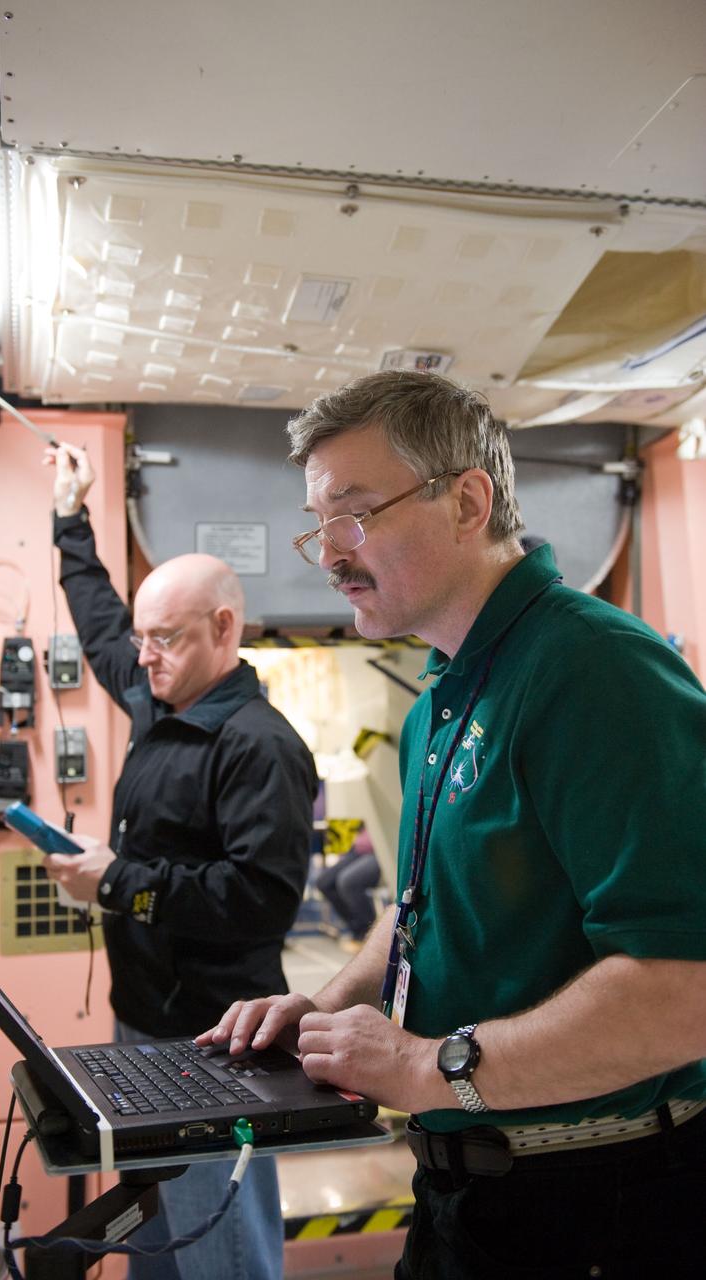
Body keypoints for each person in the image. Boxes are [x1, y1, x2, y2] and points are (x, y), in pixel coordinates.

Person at [197, 370, 706, 1279]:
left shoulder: (595, 673)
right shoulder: (439, 697)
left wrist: (430, 1067)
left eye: (353, 516)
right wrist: (326, 1008)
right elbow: (427, 908)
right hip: (468, 1200)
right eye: (320, 528)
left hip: (608, 1202)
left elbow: (685, 989)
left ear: (467, 500)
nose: (331, 555)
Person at [42, 442, 318, 1280]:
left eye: (163, 639)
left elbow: (257, 902)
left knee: (219, 1255)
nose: (144, 656)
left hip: (217, 1044)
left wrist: (118, 883)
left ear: (223, 630)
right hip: (145, 1024)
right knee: (155, 1241)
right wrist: (70, 517)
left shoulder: (258, 747)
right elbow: (96, 622)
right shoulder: (162, 692)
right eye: (143, 639)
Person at [314, 824, 381, 949]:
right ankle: (358, 929)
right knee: (324, 882)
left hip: (379, 852)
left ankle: (369, 933)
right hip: (357, 849)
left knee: (348, 882)